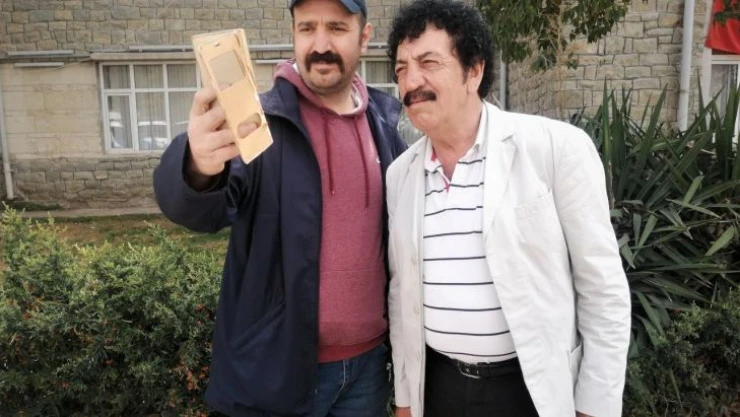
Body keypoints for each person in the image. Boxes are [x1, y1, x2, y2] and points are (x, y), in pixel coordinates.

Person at [153, 0, 407, 415]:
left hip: (368, 370)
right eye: (307, 28)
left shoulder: (384, 125)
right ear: (293, 34)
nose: (320, 45)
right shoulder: (258, 124)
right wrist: (198, 165)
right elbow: (199, 211)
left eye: (336, 28)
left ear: (364, 37)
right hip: (276, 374)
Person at [384, 1, 631, 417]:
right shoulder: (400, 175)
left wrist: (594, 408)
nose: (411, 82)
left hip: (530, 391)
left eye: (428, 63)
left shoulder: (556, 149)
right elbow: (400, 293)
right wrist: (406, 399)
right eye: (401, 69)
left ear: (474, 71)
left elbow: (603, 291)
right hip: (439, 388)